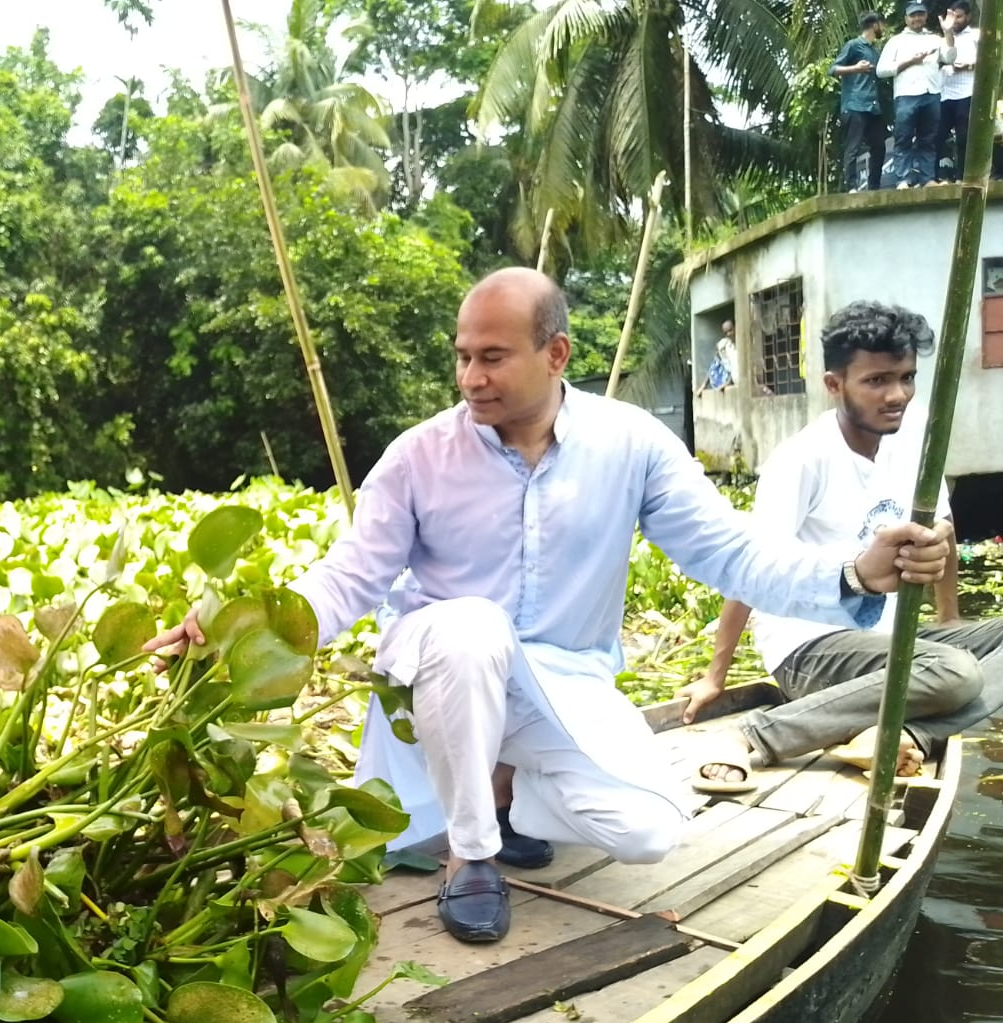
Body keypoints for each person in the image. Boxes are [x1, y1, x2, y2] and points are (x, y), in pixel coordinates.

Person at [144, 269, 951, 946]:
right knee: (471, 625)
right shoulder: (418, 456)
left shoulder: (632, 444)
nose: (471, 379)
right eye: (463, 358)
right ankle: (471, 856)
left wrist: (854, 573)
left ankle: (498, 796)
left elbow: (730, 554)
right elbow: (348, 579)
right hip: (440, 669)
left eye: (492, 357)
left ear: (556, 353)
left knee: (649, 832)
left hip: (561, 682)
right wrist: (235, 632)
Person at [679, 301, 1003, 788]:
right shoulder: (802, 460)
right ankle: (754, 736)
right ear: (835, 385)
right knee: (956, 673)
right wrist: (715, 675)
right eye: (876, 381)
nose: (897, 395)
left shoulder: (913, 438)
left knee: (956, 663)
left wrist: (950, 619)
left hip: (894, 645)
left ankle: (905, 734)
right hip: (810, 649)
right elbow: (751, 568)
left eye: (907, 377)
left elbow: (943, 530)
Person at [876, 0, 957, 188]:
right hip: (906, 95)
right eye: (913, 15)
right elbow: (881, 71)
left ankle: (927, 179)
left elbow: (950, 57)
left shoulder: (934, 39)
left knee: (928, 140)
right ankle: (902, 179)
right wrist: (910, 62)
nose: (917, 18)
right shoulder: (896, 41)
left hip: (932, 93)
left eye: (920, 14)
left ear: (925, 16)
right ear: (906, 18)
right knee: (903, 137)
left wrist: (948, 31)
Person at [833, 11, 889, 192]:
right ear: (875, 25)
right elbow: (833, 69)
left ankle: (874, 186)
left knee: (879, 146)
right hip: (854, 104)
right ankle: (851, 186)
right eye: (882, 25)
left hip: (873, 107)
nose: (883, 29)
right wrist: (855, 68)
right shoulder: (854, 45)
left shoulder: (875, 50)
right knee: (853, 146)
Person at [937, 0, 979, 180]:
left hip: (967, 92)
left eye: (959, 16)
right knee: (940, 136)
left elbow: (991, 61)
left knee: (964, 136)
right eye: (952, 17)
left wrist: (969, 65)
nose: (955, 21)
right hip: (945, 93)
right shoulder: (942, 39)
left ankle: (963, 175)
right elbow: (943, 59)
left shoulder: (977, 36)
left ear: (968, 16)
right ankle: (943, 175)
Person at [700, 319, 740, 394]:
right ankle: (704, 385)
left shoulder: (742, 344)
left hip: (741, 380)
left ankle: (728, 382)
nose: (729, 334)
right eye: (726, 333)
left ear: (735, 327)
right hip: (731, 378)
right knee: (716, 363)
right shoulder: (727, 345)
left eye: (730, 330)